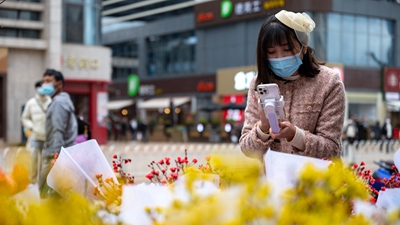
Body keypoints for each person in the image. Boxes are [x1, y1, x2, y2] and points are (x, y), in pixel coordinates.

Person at [239, 10, 345, 162]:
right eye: (271, 52)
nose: (280, 57)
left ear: (304, 46)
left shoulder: (329, 82)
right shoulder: (259, 84)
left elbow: (332, 149)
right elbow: (246, 149)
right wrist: (263, 128)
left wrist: (296, 136)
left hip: (316, 183)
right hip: (272, 183)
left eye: (287, 49)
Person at [39, 69, 77, 198]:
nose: (45, 84)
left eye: (49, 81)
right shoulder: (62, 101)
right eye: (44, 81)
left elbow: (58, 131)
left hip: (55, 156)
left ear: (59, 84)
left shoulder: (58, 104)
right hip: (62, 154)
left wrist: (55, 158)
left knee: (48, 195)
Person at [21, 80, 52, 184]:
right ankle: (32, 181)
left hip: (47, 137)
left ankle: (42, 183)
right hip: (35, 137)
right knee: (33, 159)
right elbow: (24, 118)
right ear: (36, 89)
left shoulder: (50, 102)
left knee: (45, 162)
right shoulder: (31, 103)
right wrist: (32, 126)